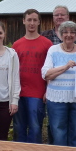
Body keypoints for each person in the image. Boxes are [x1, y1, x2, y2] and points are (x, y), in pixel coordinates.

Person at [42, 21, 76, 147]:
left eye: (72, 32)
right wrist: (66, 66)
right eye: (65, 32)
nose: (69, 35)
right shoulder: (53, 50)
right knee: (58, 132)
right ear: (61, 35)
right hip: (56, 98)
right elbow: (46, 74)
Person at [12, 9, 53, 143]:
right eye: (29, 20)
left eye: (35, 20)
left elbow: (50, 70)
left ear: (39, 22)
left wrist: (48, 90)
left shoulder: (47, 44)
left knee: (35, 128)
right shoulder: (16, 45)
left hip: (37, 93)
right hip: (19, 93)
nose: (32, 23)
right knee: (19, 128)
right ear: (24, 21)